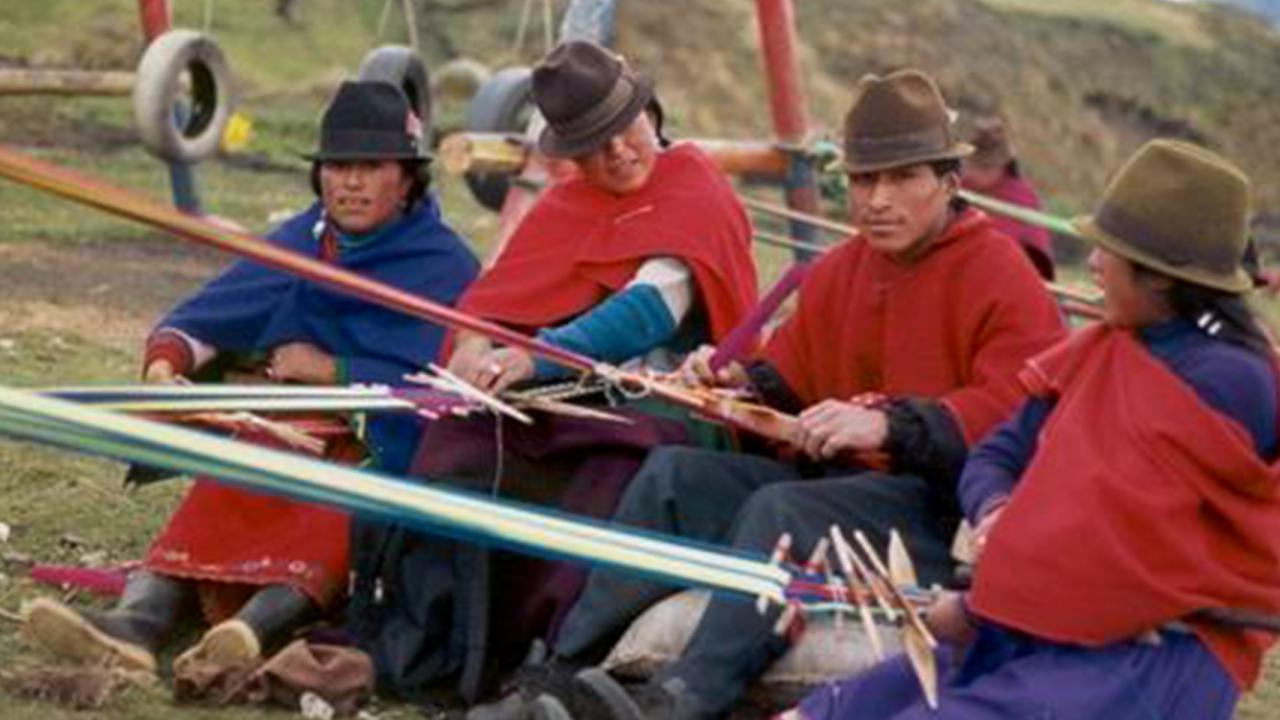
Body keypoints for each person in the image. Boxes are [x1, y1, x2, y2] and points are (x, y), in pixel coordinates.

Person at [480, 68, 1067, 720]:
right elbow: (788, 375)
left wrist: (890, 426)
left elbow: (1020, 415)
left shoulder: (1000, 272)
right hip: (840, 488)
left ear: (949, 183)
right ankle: (562, 675)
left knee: (781, 510)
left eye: (903, 178)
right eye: (865, 180)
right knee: (674, 474)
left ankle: (681, 699)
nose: (877, 199)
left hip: (937, 509)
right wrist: (736, 383)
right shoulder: (844, 268)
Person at [793, 139, 1280, 719]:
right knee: (830, 711)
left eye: (1108, 251)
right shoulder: (1107, 347)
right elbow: (1001, 448)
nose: (1093, 264)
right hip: (1039, 618)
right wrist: (995, 510)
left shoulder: (1229, 381)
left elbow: (1117, 543)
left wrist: (980, 605)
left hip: (1145, 657)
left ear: (1162, 279)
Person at [345, 39, 758, 703]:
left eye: (628, 129)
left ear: (651, 112)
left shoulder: (694, 188)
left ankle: (545, 654)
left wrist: (535, 357)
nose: (619, 153)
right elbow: (496, 300)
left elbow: (648, 308)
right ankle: (434, 641)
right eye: (594, 146)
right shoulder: (568, 206)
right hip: (555, 396)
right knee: (457, 441)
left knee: (613, 473)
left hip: (666, 407)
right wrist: (475, 351)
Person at [21, 80, 479, 678]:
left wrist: (333, 371)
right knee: (225, 488)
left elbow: (450, 387)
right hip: (280, 430)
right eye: (337, 167)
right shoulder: (304, 242)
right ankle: (136, 627)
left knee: (338, 509)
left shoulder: (445, 266)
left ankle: (252, 633)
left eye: (371, 167)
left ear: (408, 179)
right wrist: (166, 367)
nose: (350, 182)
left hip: (374, 451)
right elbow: (209, 316)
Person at [961, 112, 1055, 280]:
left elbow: (1033, 253)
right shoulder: (959, 187)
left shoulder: (1021, 196)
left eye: (986, 168)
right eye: (973, 166)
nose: (976, 174)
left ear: (1002, 166)